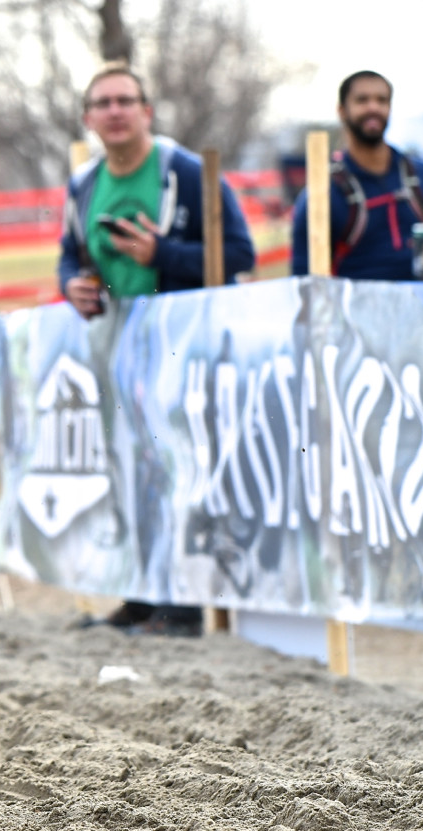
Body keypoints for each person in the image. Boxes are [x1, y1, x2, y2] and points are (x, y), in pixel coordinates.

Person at [56, 63, 256, 637]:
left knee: (176, 466)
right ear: (89, 118)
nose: (115, 111)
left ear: (146, 110)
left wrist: (163, 255)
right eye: (104, 103)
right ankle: (141, 597)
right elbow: (70, 255)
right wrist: (72, 283)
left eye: (126, 100)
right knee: (124, 467)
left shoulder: (186, 173)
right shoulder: (85, 184)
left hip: (181, 345)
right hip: (115, 344)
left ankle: (185, 605)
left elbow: (239, 255)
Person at [290, 70, 423, 281]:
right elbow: (304, 281)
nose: (373, 107)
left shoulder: (419, 176)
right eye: (362, 100)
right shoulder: (323, 196)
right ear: (342, 110)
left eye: (382, 100)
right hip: (353, 312)